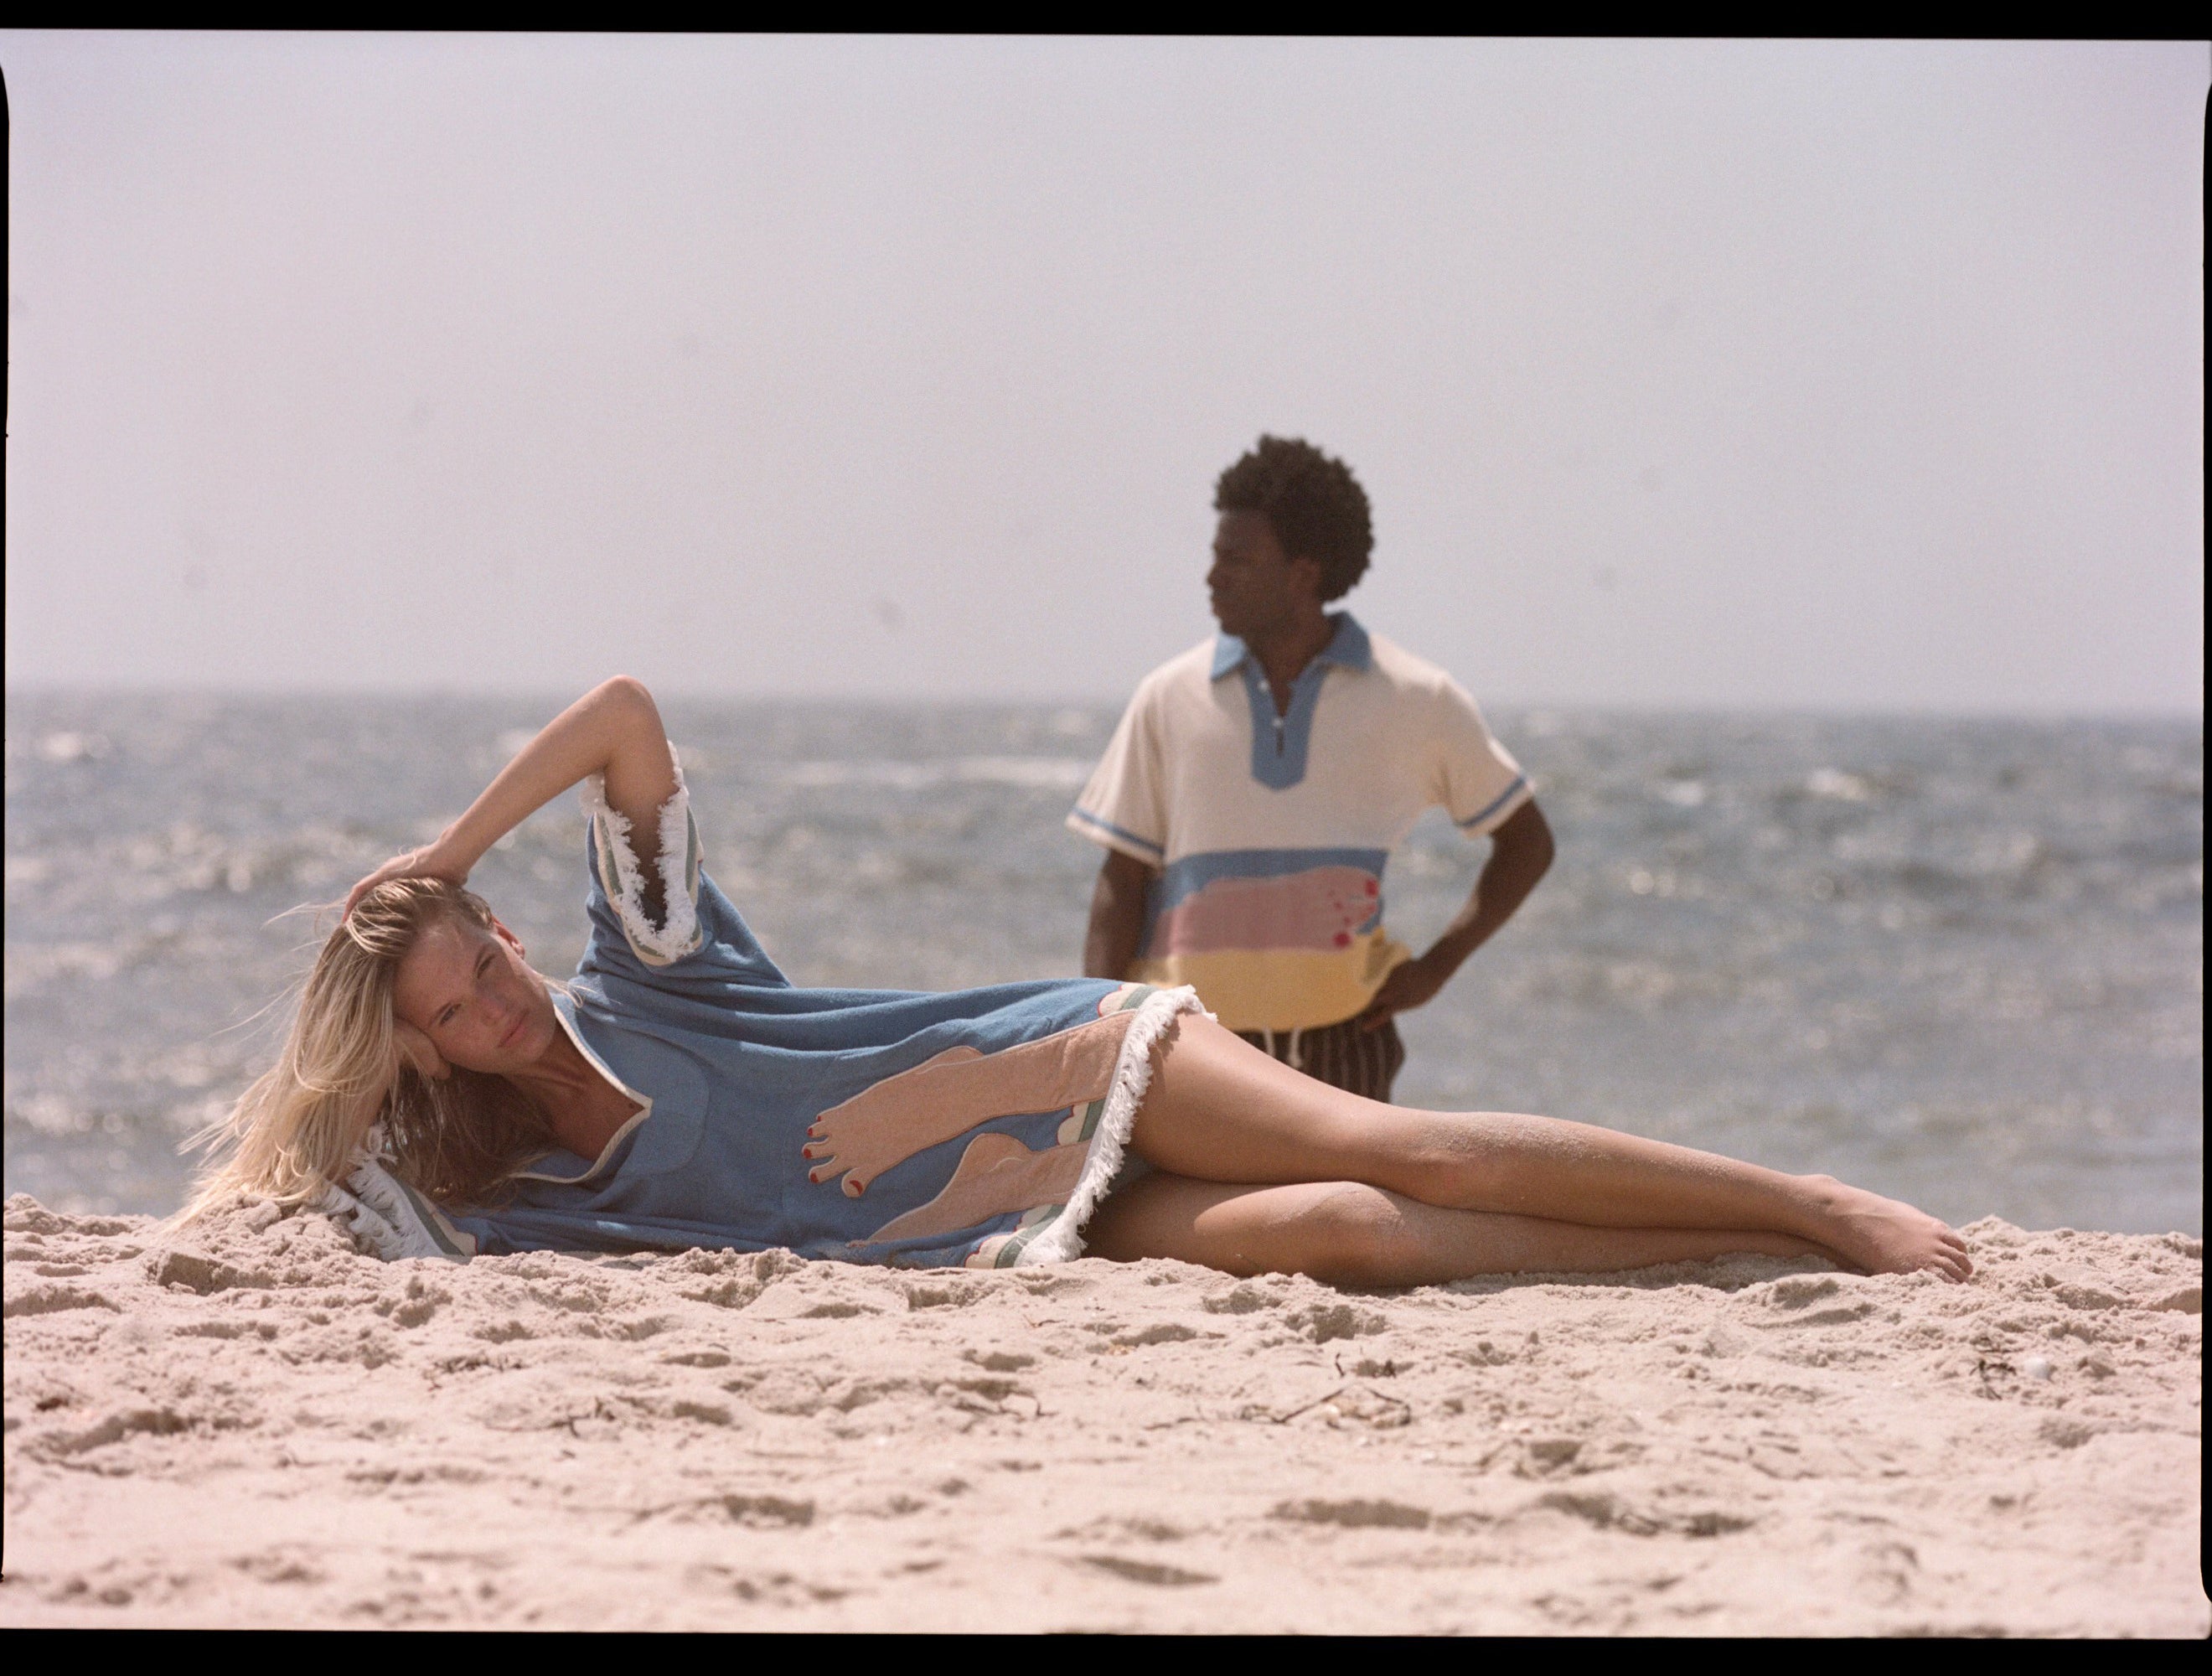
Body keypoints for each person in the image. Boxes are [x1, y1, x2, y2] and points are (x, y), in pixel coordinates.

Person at [183, 675, 1971, 1286]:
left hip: (1060, 1065)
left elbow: (624, 715)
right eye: (448, 1022)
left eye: (475, 968)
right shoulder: (517, 1195)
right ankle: (1734, 1257)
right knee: (1345, 1230)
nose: (490, 1013)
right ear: (424, 1055)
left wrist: (444, 845)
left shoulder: (644, 970)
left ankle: (1811, 1200)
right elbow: (297, 1201)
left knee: (1395, 1151)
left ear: (499, 931)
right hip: (1007, 1237)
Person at [1072, 435, 1553, 1103]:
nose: (1213, 576)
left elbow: (1527, 842)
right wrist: (1102, 1024)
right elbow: (1121, 880)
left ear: (1302, 575)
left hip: (1347, 1046)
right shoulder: (1167, 696)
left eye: (1237, 560)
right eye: (1214, 556)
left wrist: (1437, 968)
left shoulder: (1417, 697)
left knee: (1344, 1214)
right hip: (1189, 1048)